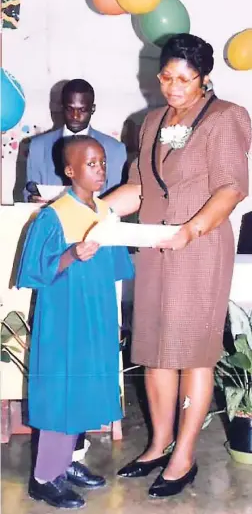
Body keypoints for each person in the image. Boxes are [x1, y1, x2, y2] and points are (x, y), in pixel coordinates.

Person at [104, 33, 251, 498]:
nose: (173, 88)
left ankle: (183, 456)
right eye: (166, 77)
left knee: (192, 351)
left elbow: (231, 188)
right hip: (153, 245)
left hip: (200, 246)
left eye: (184, 80)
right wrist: (93, 214)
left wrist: (191, 228)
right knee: (153, 347)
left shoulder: (226, 117)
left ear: (204, 78)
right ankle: (157, 445)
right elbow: (139, 189)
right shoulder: (149, 122)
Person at [16, 135, 134, 509]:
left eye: (102, 162)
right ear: (70, 170)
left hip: (95, 312)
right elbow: (34, 271)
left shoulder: (104, 212)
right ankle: (44, 477)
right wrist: (71, 253)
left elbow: (114, 268)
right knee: (62, 390)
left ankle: (68, 462)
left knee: (84, 387)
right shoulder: (53, 215)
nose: (100, 170)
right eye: (90, 163)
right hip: (63, 316)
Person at [24, 78, 127, 201]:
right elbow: (28, 194)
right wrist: (33, 200)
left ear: (92, 109)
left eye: (82, 110)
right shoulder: (38, 147)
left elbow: (116, 202)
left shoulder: (115, 150)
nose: (75, 116)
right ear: (62, 107)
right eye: (70, 109)